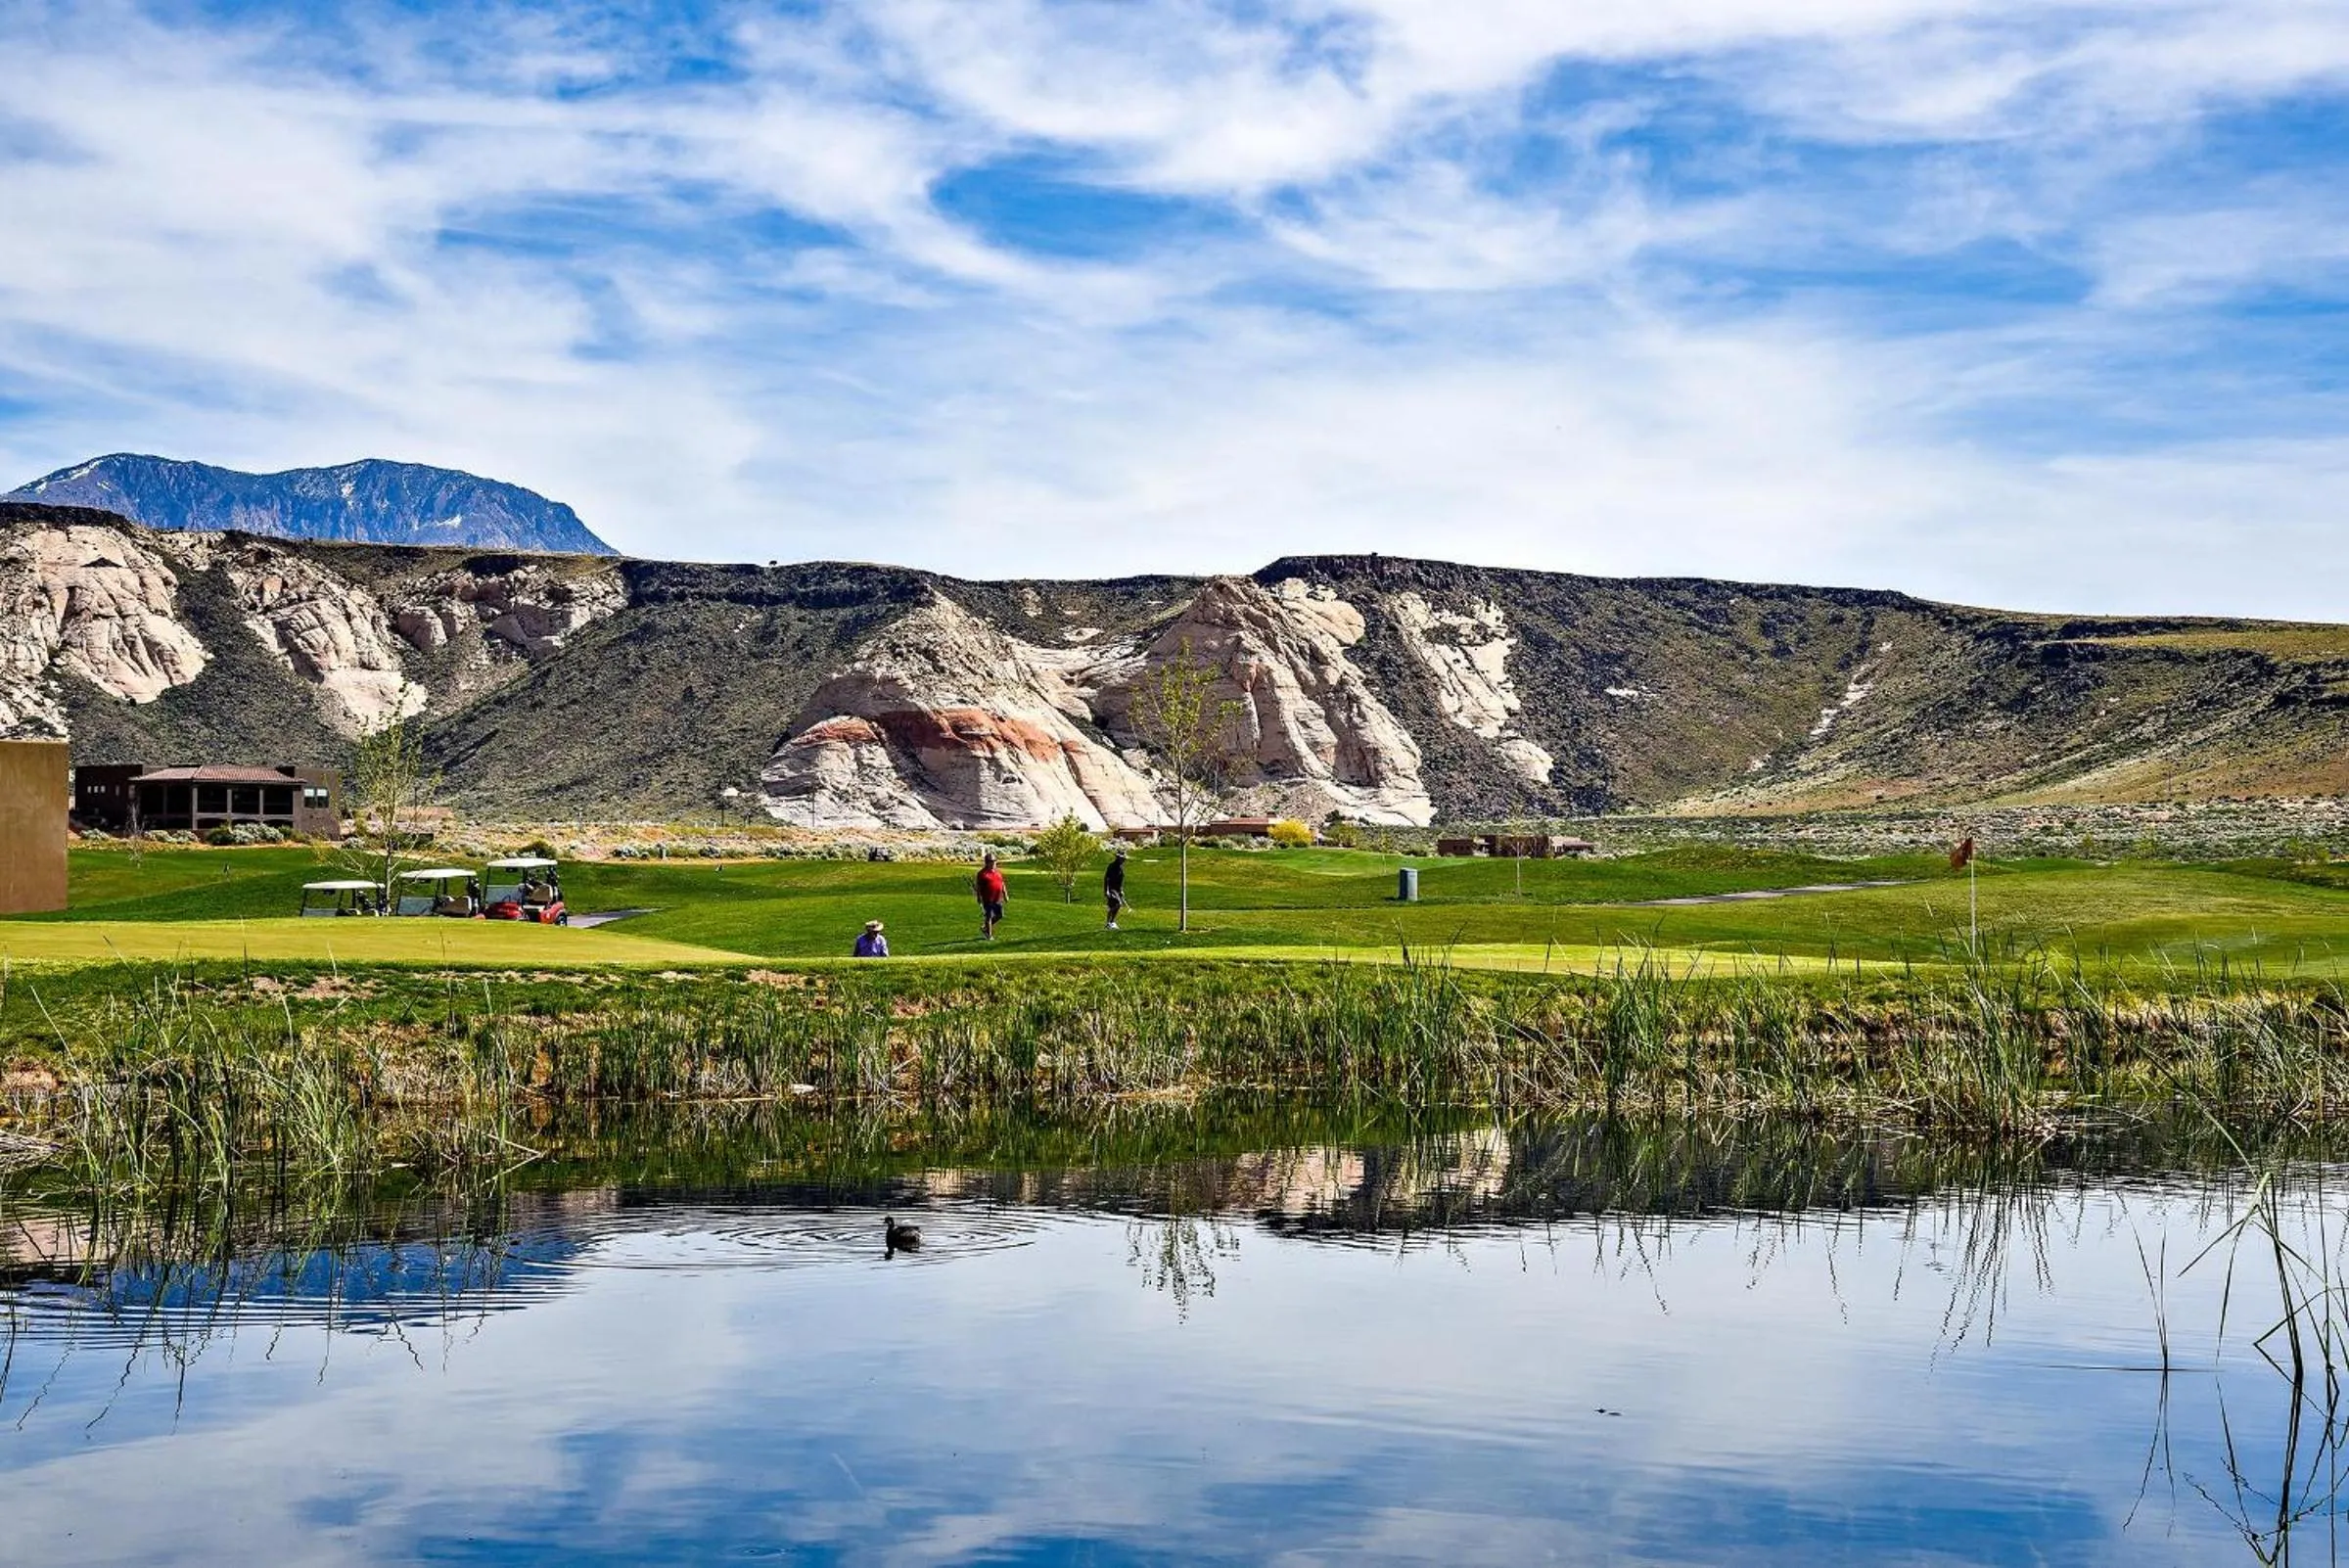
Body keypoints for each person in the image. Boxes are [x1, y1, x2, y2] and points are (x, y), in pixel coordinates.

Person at [975, 852, 1007, 940]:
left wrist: (1005, 894)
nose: (993, 863)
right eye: (991, 861)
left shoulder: (998, 872)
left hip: (998, 898)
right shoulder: (982, 874)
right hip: (987, 899)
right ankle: (989, 935)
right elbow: (978, 887)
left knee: (1000, 915)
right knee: (988, 916)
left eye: (994, 861)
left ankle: (985, 927)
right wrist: (979, 897)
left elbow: (1002, 883)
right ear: (987, 862)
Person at [1103, 845, 1128, 930]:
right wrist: (1106, 890)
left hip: (1116, 890)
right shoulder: (1112, 866)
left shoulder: (1120, 869)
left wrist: (1121, 891)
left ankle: (1110, 922)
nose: (1124, 860)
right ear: (1118, 858)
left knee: (1115, 905)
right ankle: (1110, 922)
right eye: (1122, 859)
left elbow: (1120, 882)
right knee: (1118, 904)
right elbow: (1107, 878)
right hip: (1111, 889)